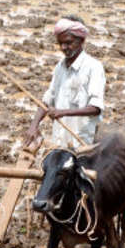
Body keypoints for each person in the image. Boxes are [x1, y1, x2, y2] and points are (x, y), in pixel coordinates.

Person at [24, 16, 106, 149]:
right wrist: (34, 125)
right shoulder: (59, 67)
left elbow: (95, 108)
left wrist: (62, 112)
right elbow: (47, 100)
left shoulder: (93, 67)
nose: (63, 47)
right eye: (60, 43)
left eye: (68, 42)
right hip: (59, 141)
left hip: (83, 142)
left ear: (81, 40)